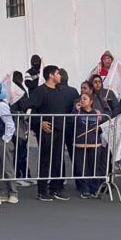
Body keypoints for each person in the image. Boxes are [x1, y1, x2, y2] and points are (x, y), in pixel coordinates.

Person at [15, 65, 73, 202]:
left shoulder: (59, 91)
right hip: (46, 131)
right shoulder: (40, 91)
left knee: (57, 159)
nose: (60, 76)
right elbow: (29, 108)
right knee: (46, 159)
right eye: (58, 73)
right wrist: (40, 122)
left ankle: (56, 188)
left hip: (59, 129)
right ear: (51, 75)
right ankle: (42, 190)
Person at [72, 92, 105, 198]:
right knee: (81, 168)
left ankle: (94, 189)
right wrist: (75, 110)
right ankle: (85, 189)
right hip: (80, 144)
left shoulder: (97, 113)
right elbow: (70, 122)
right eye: (81, 99)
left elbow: (104, 125)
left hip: (94, 144)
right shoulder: (77, 112)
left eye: (85, 99)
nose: (82, 101)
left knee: (94, 167)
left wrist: (99, 128)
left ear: (91, 101)